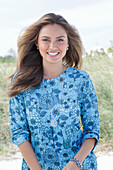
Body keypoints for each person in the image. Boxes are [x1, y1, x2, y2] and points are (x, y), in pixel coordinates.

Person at [8, 13, 100, 170]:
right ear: (36, 43)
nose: (53, 46)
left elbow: (92, 129)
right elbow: (19, 132)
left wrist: (76, 163)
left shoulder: (81, 79)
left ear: (68, 44)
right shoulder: (21, 81)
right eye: (45, 40)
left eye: (60, 40)